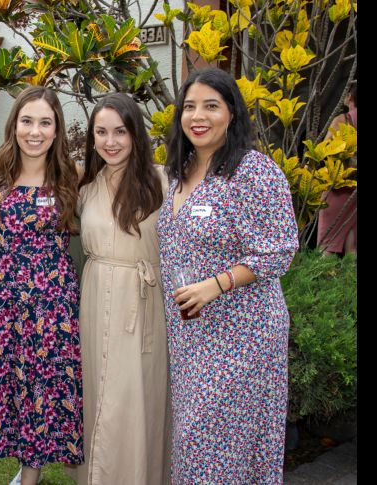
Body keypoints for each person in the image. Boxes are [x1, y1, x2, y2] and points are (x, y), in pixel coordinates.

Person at [156, 67, 298, 483]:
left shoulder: (253, 172)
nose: (198, 116)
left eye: (211, 106)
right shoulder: (177, 171)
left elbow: (279, 249)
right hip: (190, 337)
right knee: (199, 444)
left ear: (232, 113)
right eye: (190, 106)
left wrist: (216, 284)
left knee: (210, 444)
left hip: (242, 336)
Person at [0, 86, 84, 485]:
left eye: (45, 123)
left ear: (56, 131)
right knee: (11, 382)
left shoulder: (72, 175)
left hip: (50, 303)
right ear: (14, 125)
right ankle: (24, 464)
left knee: (44, 384)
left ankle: (32, 474)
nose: (35, 131)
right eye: (27, 121)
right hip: (1, 302)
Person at [74, 93, 171, 484]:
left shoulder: (163, 180)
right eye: (101, 132)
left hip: (144, 302)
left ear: (136, 134)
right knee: (98, 394)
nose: (110, 141)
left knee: (135, 396)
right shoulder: (85, 187)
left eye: (120, 131)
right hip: (96, 300)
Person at [317, 83, 357, 255]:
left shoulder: (343, 119)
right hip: (355, 190)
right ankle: (349, 282)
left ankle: (321, 282)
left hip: (337, 186)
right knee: (352, 245)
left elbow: (323, 150)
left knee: (327, 243)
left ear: (349, 97)